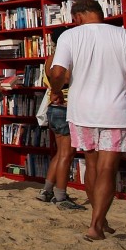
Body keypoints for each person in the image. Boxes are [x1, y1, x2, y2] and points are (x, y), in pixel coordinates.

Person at [49, 0, 126, 241]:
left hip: (83, 111)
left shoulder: (69, 36)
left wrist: (55, 90)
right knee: (107, 168)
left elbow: (58, 72)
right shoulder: (122, 34)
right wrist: (123, 78)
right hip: (116, 110)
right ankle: (96, 224)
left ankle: (99, 220)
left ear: (78, 17)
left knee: (92, 166)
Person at [38, 26, 85, 209]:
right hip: (66, 107)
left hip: (54, 108)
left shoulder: (51, 58)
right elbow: (64, 78)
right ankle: (60, 195)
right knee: (67, 153)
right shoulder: (66, 58)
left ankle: (47, 190)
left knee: (60, 152)